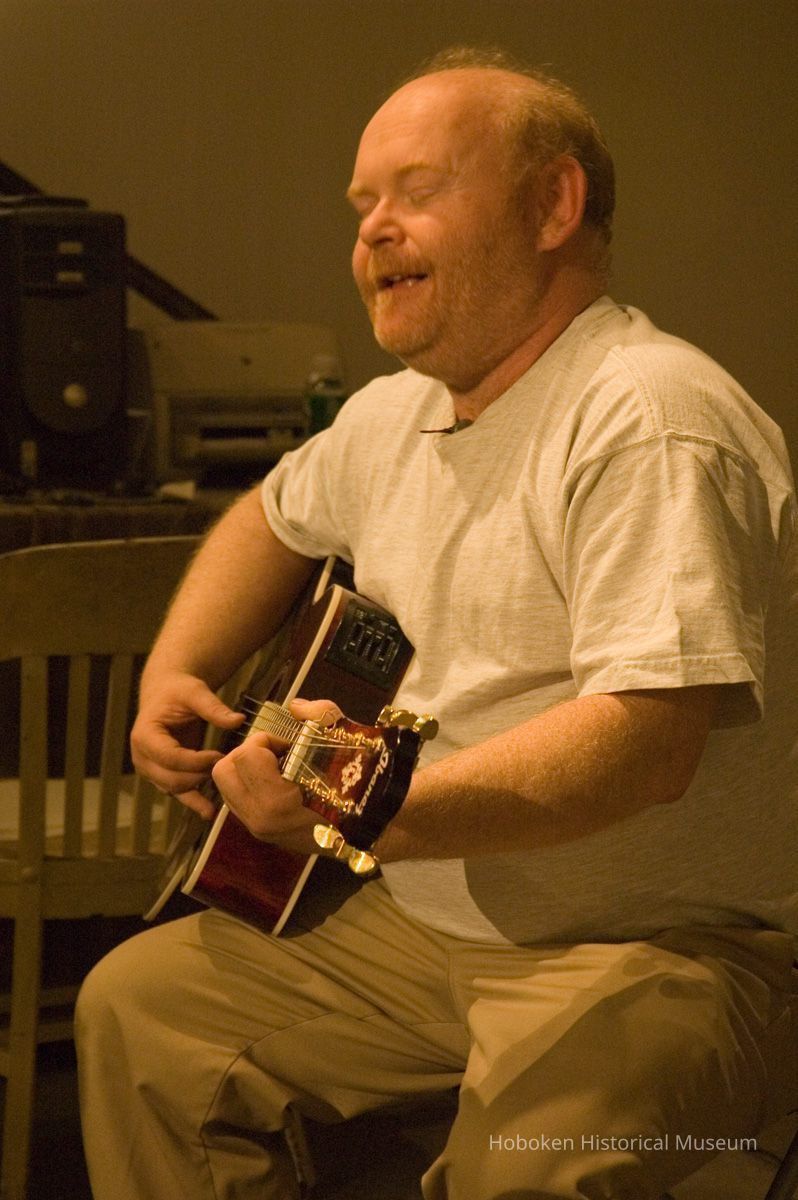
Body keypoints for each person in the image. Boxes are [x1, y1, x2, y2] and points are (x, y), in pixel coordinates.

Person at [76, 47, 798, 1200]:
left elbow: (649, 740)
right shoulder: (392, 414)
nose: (373, 230)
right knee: (141, 1012)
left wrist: (374, 803)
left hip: (667, 949)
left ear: (554, 204)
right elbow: (272, 514)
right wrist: (180, 668)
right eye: (363, 205)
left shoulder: (649, 416)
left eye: (418, 191)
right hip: (428, 929)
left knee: (524, 1163)